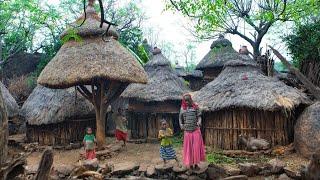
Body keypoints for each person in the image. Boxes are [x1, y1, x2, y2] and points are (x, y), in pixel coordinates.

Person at [179, 93, 205, 170]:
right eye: (185, 101)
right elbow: (180, 118)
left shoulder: (196, 107)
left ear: (190, 100)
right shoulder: (182, 109)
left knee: (196, 148)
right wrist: (181, 125)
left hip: (195, 130)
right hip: (187, 131)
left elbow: (199, 116)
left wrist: (199, 121)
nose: (187, 102)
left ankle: (196, 164)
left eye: (188, 100)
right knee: (189, 149)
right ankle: (190, 164)